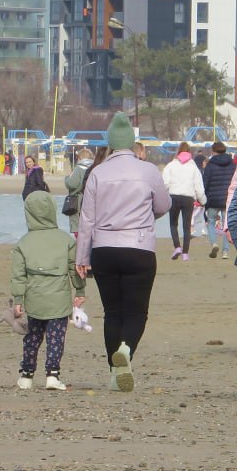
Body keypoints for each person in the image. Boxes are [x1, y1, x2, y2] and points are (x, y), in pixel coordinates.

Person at [76, 112, 170, 393]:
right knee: (136, 311)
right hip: (139, 248)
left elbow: (86, 219)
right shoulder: (148, 170)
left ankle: (114, 374)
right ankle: (126, 350)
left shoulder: (97, 173)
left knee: (112, 312)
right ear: (131, 142)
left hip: (104, 249)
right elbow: (163, 205)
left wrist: (82, 257)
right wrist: (146, 214)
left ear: (111, 143)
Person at [11, 191, 85, 392]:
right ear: (52, 210)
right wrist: (80, 290)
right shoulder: (66, 240)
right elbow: (75, 269)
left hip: (35, 299)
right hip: (58, 299)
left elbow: (19, 275)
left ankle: (26, 376)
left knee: (32, 338)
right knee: (56, 338)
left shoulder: (23, 243)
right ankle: (52, 375)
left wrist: (18, 299)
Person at [162, 142, 205, 261]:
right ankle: (185, 253)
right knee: (187, 226)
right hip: (188, 198)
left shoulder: (171, 165)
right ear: (189, 152)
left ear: (178, 152)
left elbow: (165, 183)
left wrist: (164, 196)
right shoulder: (193, 168)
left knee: (173, 224)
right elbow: (199, 187)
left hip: (174, 197)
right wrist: (203, 200)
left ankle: (177, 247)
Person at [201, 141, 234, 260]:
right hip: (227, 199)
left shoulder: (210, 165)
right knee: (226, 225)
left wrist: (202, 198)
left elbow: (205, 183)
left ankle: (214, 243)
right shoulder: (232, 164)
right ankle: (225, 251)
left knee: (210, 222)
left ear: (213, 151)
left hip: (212, 199)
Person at [63, 148, 95, 235]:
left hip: (78, 200)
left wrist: (67, 178)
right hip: (91, 200)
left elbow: (71, 184)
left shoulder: (79, 167)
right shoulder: (95, 167)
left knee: (78, 227)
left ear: (80, 157)